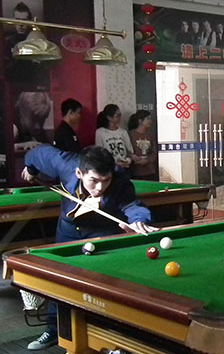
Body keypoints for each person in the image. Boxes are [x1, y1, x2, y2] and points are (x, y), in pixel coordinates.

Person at [21, 145, 158, 350]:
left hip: (102, 230)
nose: (100, 188)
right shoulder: (65, 163)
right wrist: (31, 170)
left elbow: (132, 206)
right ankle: (54, 329)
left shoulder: (120, 181)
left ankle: (107, 331)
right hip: (69, 228)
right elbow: (35, 154)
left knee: (105, 280)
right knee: (60, 277)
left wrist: (139, 220)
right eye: (94, 180)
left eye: (106, 180)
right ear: (79, 173)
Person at [95, 104, 134, 169]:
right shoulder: (100, 132)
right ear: (109, 117)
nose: (120, 118)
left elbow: (130, 151)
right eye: (117, 116)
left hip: (124, 166)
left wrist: (127, 161)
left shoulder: (123, 132)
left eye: (120, 115)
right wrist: (115, 163)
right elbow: (100, 153)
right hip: (109, 167)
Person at [128, 110, 156, 180]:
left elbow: (154, 153)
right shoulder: (130, 134)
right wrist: (133, 157)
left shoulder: (150, 135)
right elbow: (126, 150)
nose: (150, 121)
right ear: (140, 121)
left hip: (150, 171)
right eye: (148, 119)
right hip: (135, 172)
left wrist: (147, 160)